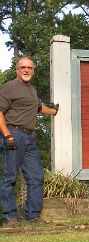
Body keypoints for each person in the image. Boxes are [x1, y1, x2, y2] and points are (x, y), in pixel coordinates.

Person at [0, 56, 59, 227]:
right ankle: (10, 217)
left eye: (30, 68)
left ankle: (32, 217)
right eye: (23, 67)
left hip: (30, 138)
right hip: (13, 134)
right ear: (17, 70)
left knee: (36, 177)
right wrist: (6, 135)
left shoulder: (31, 90)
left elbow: (39, 107)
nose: (26, 70)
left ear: (33, 71)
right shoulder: (9, 88)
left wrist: (54, 112)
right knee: (9, 177)